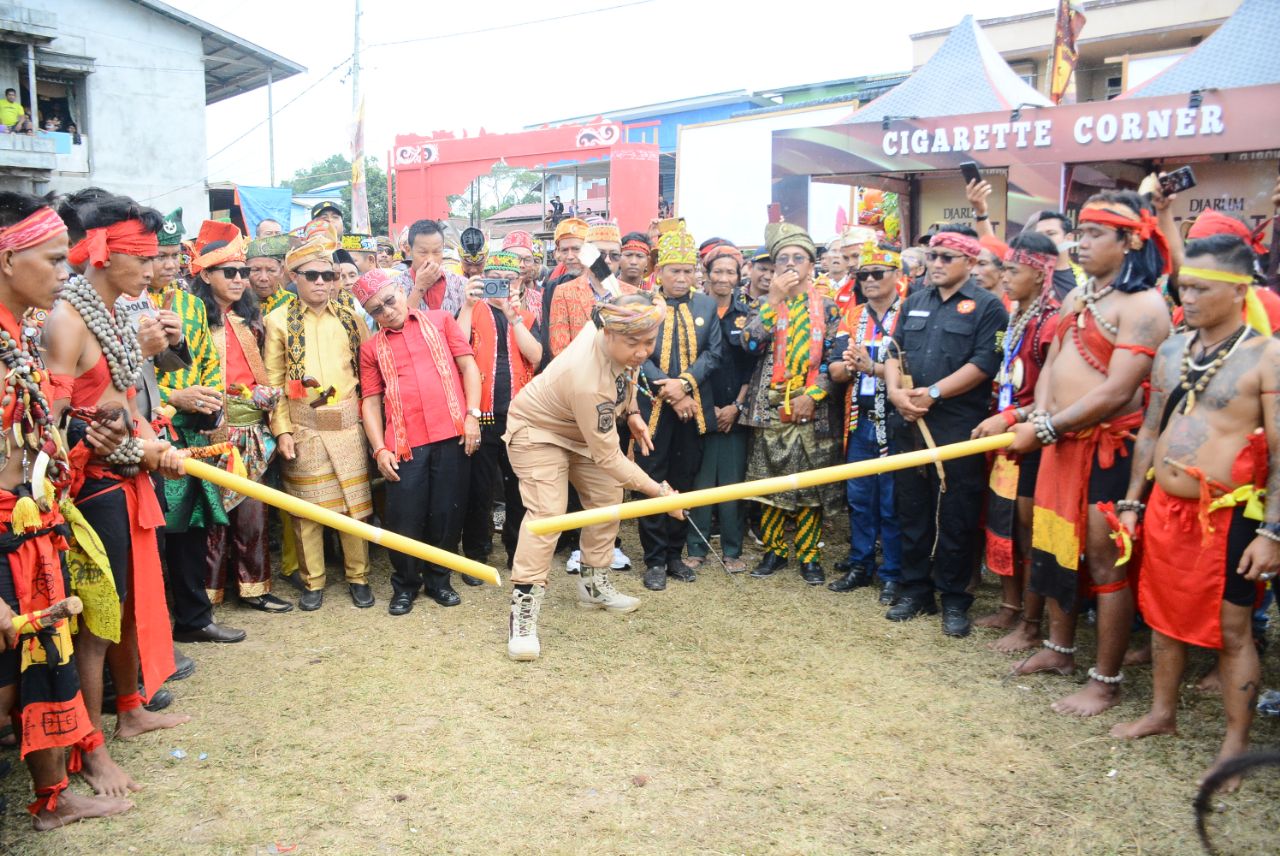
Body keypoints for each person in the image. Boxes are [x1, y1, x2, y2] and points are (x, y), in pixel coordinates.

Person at [1109, 234, 1280, 793]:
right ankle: (1162, 712)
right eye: (1184, 287)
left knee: (1233, 630)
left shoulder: (1268, 354)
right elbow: (1150, 430)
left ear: (1239, 291)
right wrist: (1133, 502)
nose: (1188, 298)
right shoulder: (1172, 349)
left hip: (1230, 516)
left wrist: (1272, 532)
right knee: (1158, 614)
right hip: (1163, 507)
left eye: (1201, 288)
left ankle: (1234, 744)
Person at [0, 194, 143, 829]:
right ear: (9, 258)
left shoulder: (18, 334)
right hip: (8, 528)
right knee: (12, 673)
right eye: (55, 259)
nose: (67, 271)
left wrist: (87, 444)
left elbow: (38, 438)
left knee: (43, 660)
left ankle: (51, 800)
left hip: (36, 517)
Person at [43, 196, 190, 798]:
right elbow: (50, 426)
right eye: (143, 259)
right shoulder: (69, 320)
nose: (153, 271)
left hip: (127, 478)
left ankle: (130, 709)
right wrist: (119, 445)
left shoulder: (114, 312)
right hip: (92, 488)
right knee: (98, 622)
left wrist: (149, 442)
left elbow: (124, 398)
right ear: (103, 256)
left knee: (129, 604)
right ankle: (91, 746)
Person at [1008, 188, 1174, 716]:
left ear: (1129, 240)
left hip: (1110, 449)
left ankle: (1106, 679)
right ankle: (1059, 649)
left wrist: (1048, 427)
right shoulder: (1082, 298)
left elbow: (1118, 390)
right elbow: (1055, 362)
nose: (1080, 244)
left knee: (1106, 560)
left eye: (1094, 234)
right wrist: (1038, 416)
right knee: (1056, 544)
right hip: (1060, 441)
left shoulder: (1145, 305)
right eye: (1078, 233)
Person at [503, 293, 683, 660]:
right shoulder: (589, 381)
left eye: (649, 342)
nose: (642, 351)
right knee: (547, 515)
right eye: (633, 343)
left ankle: (593, 585)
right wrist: (660, 491)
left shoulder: (609, 324)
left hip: (579, 430)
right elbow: (610, 457)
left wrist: (632, 412)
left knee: (606, 498)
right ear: (609, 333)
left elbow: (625, 375)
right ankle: (523, 609)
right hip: (536, 430)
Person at [883, 226, 1008, 637]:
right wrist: (895, 392)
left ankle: (954, 599)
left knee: (957, 515)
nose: (935, 264)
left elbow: (984, 363)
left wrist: (934, 393)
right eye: (932, 256)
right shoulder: (914, 301)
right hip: (909, 422)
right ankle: (915, 591)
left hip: (956, 426)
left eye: (945, 258)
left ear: (970, 263)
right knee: (911, 508)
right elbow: (893, 352)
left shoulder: (989, 307)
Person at [356, 269, 482, 616]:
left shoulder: (441, 320)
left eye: (390, 300)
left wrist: (472, 415)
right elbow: (370, 400)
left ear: (402, 290)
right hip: (404, 444)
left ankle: (440, 581)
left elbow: (468, 367)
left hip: (452, 433)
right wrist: (380, 448)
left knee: (446, 513)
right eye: (377, 309)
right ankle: (406, 585)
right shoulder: (370, 349)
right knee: (403, 518)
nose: (387, 311)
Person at [186, 222, 291, 615]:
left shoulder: (253, 320)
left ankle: (255, 588)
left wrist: (272, 412)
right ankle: (207, 593)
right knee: (211, 517)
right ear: (206, 275)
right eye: (229, 272)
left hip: (252, 431)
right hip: (208, 432)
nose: (240, 279)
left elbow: (266, 375)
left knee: (253, 515)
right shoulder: (194, 321)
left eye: (242, 272)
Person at [265, 239, 372, 611]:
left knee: (354, 506)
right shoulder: (278, 321)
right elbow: (274, 382)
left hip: (347, 424)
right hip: (305, 426)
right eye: (313, 276)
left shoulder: (351, 318)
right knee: (308, 510)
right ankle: (313, 582)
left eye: (328, 275)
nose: (322, 283)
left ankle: (358, 576)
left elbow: (368, 373)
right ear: (294, 278)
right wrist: (282, 431)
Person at [970, 232, 1061, 650]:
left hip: (1034, 443)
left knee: (1028, 531)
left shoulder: (1054, 321)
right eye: (1003, 268)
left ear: (1041, 273)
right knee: (1002, 521)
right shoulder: (1017, 315)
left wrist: (1012, 417)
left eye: (1013, 269)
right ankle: (1010, 607)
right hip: (1004, 440)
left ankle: (1031, 622)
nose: (1004, 277)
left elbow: (1054, 392)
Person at [740, 222, 842, 585]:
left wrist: (812, 397)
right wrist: (772, 302)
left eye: (798, 258)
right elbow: (749, 345)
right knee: (769, 485)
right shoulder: (765, 305)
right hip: (771, 407)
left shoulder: (828, 308)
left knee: (811, 487)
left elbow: (835, 358)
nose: (790, 264)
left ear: (811, 265)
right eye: (783, 259)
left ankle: (810, 555)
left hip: (814, 409)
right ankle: (775, 551)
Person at [634, 228, 722, 590]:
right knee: (652, 481)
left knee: (684, 481)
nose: (682, 278)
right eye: (675, 271)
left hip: (692, 409)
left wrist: (684, 384)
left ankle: (674, 553)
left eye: (688, 271)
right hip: (652, 410)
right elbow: (636, 355)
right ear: (660, 271)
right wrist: (669, 389)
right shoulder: (642, 302)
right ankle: (654, 560)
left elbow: (713, 354)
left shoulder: (705, 305)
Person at [455, 251, 542, 575]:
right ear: (483, 280)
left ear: (518, 281)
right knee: (478, 489)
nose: (501, 287)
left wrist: (514, 316)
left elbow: (535, 356)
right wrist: (466, 305)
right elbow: (457, 345)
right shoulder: (472, 309)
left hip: (519, 417)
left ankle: (516, 551)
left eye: (508, 281)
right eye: (495, 281)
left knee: (520, 489)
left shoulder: (527, 316)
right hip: (482, 415)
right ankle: (476, 553)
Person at [828, 243, 906, 601]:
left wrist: (872, 367)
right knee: (860, 497)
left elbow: (914, 369)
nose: (870, 280)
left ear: (896, 276)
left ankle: (892, 571)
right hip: (859, 420)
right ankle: (860, 563)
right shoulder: (852, 315)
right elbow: (834, 369)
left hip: (895, 419)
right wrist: (848, 366)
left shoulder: (908, 313)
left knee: (892, 500)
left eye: (878, 273)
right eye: (863, 275)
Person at [685, 240, 753, 575]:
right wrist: (704, 409)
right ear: (706, 274)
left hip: (734, 413)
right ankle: (696, 548)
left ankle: (732, 550)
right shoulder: (694, 311)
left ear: (739, 277)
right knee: (699, 483)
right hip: (697, 410)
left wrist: (736, 407)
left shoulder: (748, 317)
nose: (723, 277)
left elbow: (751, 368)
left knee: (731, 485)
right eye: (717, 271)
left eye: (730, 271)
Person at [400, 219, 466, 317]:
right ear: (408, 250)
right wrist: (419, 289)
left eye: (436, 252)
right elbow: (398, 327)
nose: (430, 260)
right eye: (423, 252)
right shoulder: (395, 286)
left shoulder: (461, 284)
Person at [502, 230, 543, 323]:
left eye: (527, 259)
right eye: (515, 259)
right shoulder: (487, 297)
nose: (521, 265)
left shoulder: (539, 299)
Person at [247, 235, 293, 313]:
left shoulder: (294, 304)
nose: (263, 278)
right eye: (255, 270)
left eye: (271, 270)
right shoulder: (236, 305)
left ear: (281, 271)